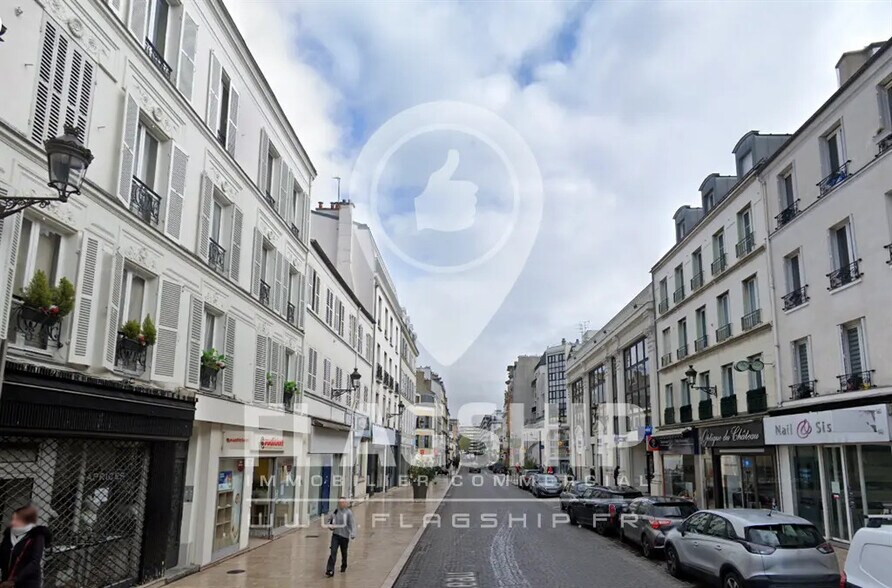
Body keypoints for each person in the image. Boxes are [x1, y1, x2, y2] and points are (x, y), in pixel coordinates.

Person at [0, 505, 51, 588]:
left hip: (27, 582)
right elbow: (2, 555)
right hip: (6, 581)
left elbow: (34, 562)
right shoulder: (9, 534)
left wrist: (14, 580)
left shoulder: (37, 535)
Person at [323, 497, 356, 577]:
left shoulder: (348, 513)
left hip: (344, 536)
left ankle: (344, 565)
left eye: (343, 503)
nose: (341, 504)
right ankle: (330, 570)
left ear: (345, 503)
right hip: (335, 535)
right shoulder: (335, 512)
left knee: (344, 552)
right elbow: (328, 521)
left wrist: (353, 533)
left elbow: (352, 524)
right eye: (340, 503)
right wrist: (330, 526)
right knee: (333, 552)